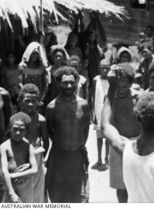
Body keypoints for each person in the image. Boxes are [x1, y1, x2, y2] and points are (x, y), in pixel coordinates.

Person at [45, 66, 90, 203]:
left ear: (76, 82)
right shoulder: (52, 107)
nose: (69, 85)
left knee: (78, 197)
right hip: (59, 157)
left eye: (72, 82)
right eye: (65, 83)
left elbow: (86, 130)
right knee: (57, 197)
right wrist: (63, 145)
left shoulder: (83, 105)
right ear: (59, 84)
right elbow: (50, 132)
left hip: (77, 156)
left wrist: (76, 146)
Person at [104, 63, 141, 203]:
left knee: (138, 183)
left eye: (125, 86)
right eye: (118, 86)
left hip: (137, 144)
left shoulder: (138, 97)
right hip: (117, 144)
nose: (121, 90)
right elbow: (108, 123)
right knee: (121, 185)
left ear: (130, 84)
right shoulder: (110, 99)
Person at [18, 84, 49, 202]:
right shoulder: (16, 119)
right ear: (20, 101)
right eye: (27, 100)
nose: (30, 104)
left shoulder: (41, 120)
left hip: (36, 155)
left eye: (34, 101)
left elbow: (46, 141)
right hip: (19, 155)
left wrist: (42, 159)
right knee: (20, 186)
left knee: (37, 188)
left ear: (38, 102)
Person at [0, 112, 37, 203]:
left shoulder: (28, 146)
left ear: (26, 131)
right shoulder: (4, 147)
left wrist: (13, 175)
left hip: (25, 185)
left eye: (21, 130)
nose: (17, 132)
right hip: (8, 185)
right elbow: (5, 170)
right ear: (9, 129)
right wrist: (11, 192)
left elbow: (34, 169)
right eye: (15, 129)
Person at [91, 59, 110, 171]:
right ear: (99, 67)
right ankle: (99, 159)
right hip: (98, 111)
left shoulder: (112, 79)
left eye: (106, 67)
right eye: (102, 67)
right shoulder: (96, 80)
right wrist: (93, 112)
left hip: (108, 112)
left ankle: (106, 159)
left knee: (107, 136)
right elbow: (94, 96)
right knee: (99, 137)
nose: (104, 69)